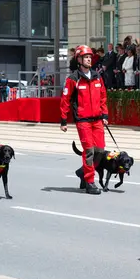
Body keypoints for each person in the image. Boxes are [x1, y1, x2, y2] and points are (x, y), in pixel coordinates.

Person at [60, 45, 109, 195]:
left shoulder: (97, 76)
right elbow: (65, 100)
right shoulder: (73, 79)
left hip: (97, 120)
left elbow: (103, 97)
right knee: (89, 151)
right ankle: (89, 181)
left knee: (100, 151)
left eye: (90, 57)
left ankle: (83, 172)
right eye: (86, 57)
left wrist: (105, 115)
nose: (89, 59)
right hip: (83, 121)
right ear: (79, 59)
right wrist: (63, 120)